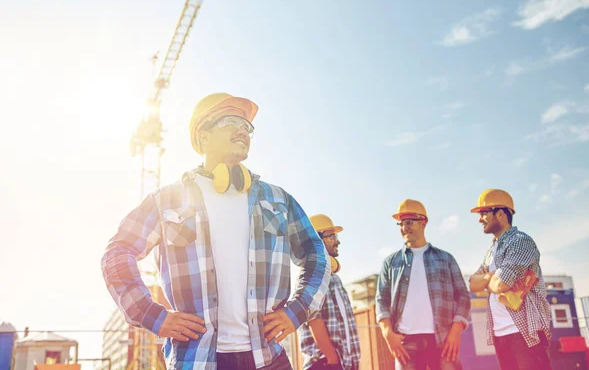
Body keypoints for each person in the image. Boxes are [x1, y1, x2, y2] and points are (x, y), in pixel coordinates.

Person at [101, 93, 331, 369]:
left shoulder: (278, 200)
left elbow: (316, 253)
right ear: (203, 136)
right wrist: (151, 315)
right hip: (197, 360)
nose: (243, 131)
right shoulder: (166, 200)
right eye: (231, 121)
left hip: (269, 359)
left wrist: (298, 310)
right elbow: (118, 252)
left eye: (248, 127)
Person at [376, 199, 470, 370]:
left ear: (423, 222)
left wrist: (456, 330)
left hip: (443, 340)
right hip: (406, 342)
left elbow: (463, 295)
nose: (405, 227)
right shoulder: (391, 262)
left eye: (410, 222)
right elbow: (381, 299)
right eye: (401, 223)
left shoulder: (445, 258)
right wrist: (387, 332)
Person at [468, 189, 552, 370]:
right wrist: (493, 275)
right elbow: (473, 284)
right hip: (501, 333)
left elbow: (502, 284)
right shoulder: (491, 251)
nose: (479, 219)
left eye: (483, 213)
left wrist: (489, 280)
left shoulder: (520, 241)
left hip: (525, 332)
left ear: (500, 213)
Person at [299, 215, 361, 370]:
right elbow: (314, 320)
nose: (337, 241)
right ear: (317, 240)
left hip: (342, 364)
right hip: (326, 365)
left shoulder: (333, 277)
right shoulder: (313, 273)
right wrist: (332, 360)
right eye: (331, 236)